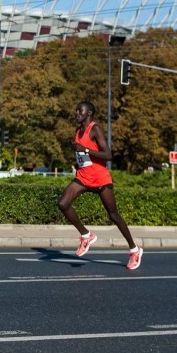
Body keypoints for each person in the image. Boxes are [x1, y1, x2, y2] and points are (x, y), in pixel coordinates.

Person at [58, 100, 142, 270]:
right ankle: (86, 235)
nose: (76, 113)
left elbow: (108, 155)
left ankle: (134, 250)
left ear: (89, 113)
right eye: (76, 111)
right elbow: (81, 154)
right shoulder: (77, 131)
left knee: (113, 215)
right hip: (83, 177)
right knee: (63, 203)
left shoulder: (95, 129)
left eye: (79, 111)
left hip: (100, 178)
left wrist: (85, 150)